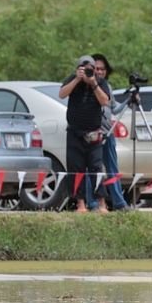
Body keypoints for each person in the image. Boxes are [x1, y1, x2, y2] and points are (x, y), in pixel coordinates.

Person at [59, 55, 111, 213]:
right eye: (84, 67)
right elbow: (62, 94)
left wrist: (93, 83)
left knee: (96, 168)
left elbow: (105, 101)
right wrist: (76, 79)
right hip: (75, 132)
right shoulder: (72, 79)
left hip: (94, 133)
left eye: (91, 68)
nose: (88, 71)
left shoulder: (100, 82)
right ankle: (80, 204)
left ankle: (102, 203)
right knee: (76, 169)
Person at [83, 53, 132, 211]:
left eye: (103, 69)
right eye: (96, 68)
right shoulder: (86, 86)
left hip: (107, 132)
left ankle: (119, 203)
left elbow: (114, 108)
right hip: (92, 133)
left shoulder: (107, 86)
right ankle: (93, 203)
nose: (99, 72)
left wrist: (129, 100)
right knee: (92, 170)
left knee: (112, 168)